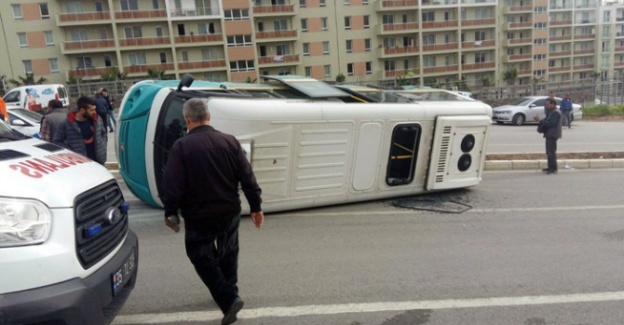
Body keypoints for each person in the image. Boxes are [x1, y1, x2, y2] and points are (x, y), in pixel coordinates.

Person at [162, 98, 264, 325]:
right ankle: (231, 289)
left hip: (199, 216)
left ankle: (228, 299)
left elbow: (172, 186)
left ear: (187, 119)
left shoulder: (181, 147)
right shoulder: (229, 141)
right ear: (209, 117)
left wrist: (171, 212)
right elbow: (247, 177)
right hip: (229, 211)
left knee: (200, 256)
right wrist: (256, 206)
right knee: (228, 252)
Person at [53, 96, 107, 165]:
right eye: (91, 110)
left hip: (99, 161)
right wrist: (70, 152)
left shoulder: (97, 120)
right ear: (82, 110)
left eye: (95, 109)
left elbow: (103, 133)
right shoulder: (67, 123)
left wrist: (103, 145)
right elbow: (56, 141)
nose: (94, 112)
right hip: (79, 163)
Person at [534, 97, 562, 174]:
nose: (547, 106)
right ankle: (550, 166)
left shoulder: (556, 112)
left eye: (548, 104)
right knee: (549, 152)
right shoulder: (551, 111)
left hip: (553, 134)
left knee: (551, 152)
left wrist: (540, 120)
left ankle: (553, 168)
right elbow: (547, 120)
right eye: (546, 104)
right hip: (549, 134)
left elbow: (551, 124)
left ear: (553, 104)